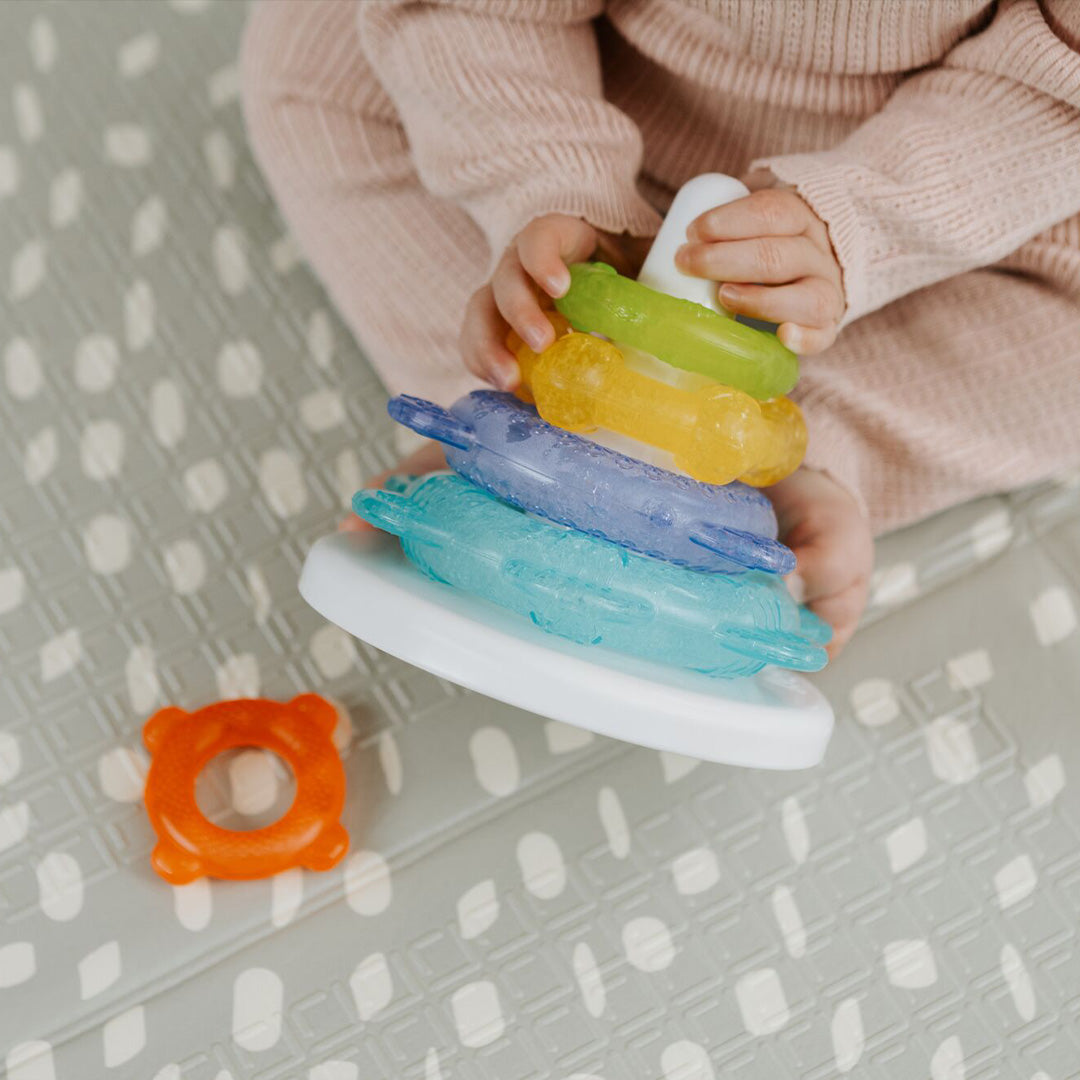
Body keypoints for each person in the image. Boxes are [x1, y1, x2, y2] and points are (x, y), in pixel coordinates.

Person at [241, 0, 1080, 657]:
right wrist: (546, 181)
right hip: (590, 85)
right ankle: (524, 402)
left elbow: (1060, 78)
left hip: (950, 178)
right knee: (312, 69)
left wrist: (863, 219)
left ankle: (792, 450)